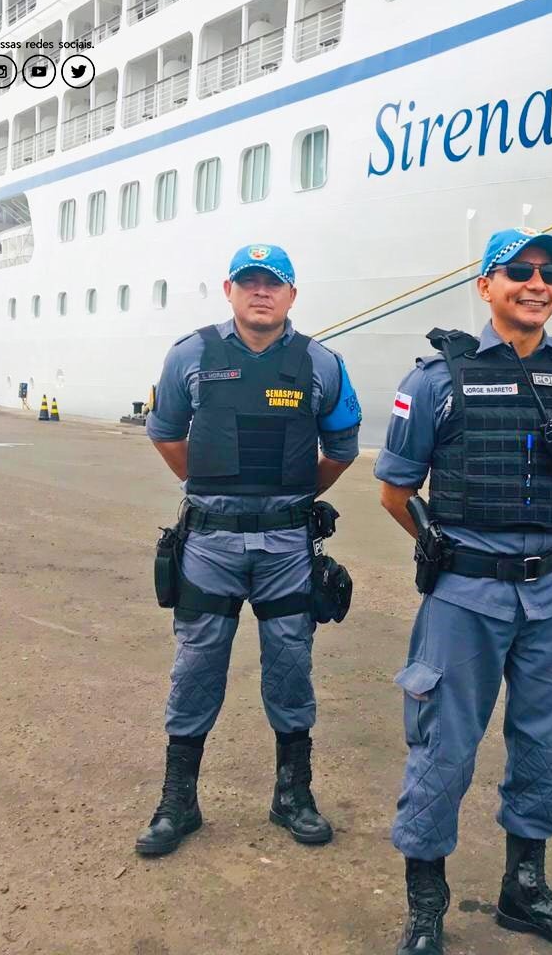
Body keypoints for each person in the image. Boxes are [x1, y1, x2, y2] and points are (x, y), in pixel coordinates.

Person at [376, 228, 552, 955]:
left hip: (551, 597)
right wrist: (440, 547)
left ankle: (525, 890)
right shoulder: (435, 380)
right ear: (486, 285)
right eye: (519, 271)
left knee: (547, 744)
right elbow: (394, 489)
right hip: (465, 596)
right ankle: (426, 903)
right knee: (443, 747)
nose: (536, 283)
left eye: (551, 272)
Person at [136, 243, 362, 857]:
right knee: (196, 665)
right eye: (250, 282)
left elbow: (342, 450)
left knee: (291, 665)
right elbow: (165, 434)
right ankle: (178, 800)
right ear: (229, 289)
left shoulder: (322, 364)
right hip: (210, 540)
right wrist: (211, 488)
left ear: (293, 295)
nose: (262, 292)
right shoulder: (190, 354)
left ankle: (293, 795)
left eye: (275, 283)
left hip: (288, 542)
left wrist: (287, 499)